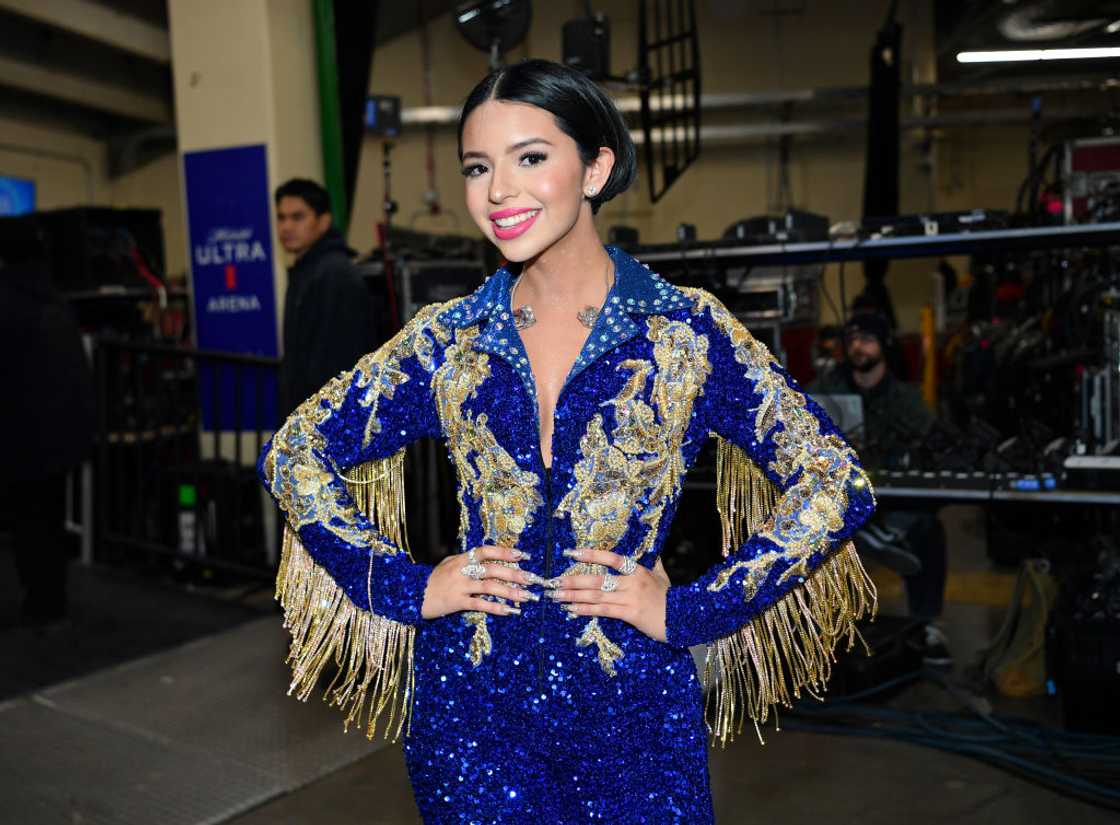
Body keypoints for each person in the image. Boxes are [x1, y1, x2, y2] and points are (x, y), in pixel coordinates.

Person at [258, 58, 877, 823]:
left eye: (530, 157)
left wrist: (691, 611)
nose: (498, 190)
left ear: (595, 167)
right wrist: (407, 585)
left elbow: (835, 480)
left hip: (635, 718)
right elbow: (294, 451)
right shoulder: (447, 339)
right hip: (470, 717)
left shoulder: (685, 331)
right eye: (478, 166)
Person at [809, 311, 951, 666]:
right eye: (853, 340)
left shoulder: (904, 397)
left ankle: (925, 624)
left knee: (929, 530)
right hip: (843, 495)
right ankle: (817, 629)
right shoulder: (829, 390)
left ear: (884, 344)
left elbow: (935, 441)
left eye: (867, 339)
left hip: (895, 496)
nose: (858, 347)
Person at [274, 178, 376, 419]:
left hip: (328, 420)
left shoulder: (334, 274)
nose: (286, 226)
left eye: (297, 217)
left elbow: (338, 361)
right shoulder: (307, 270)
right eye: (281, 217)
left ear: (323, 222)